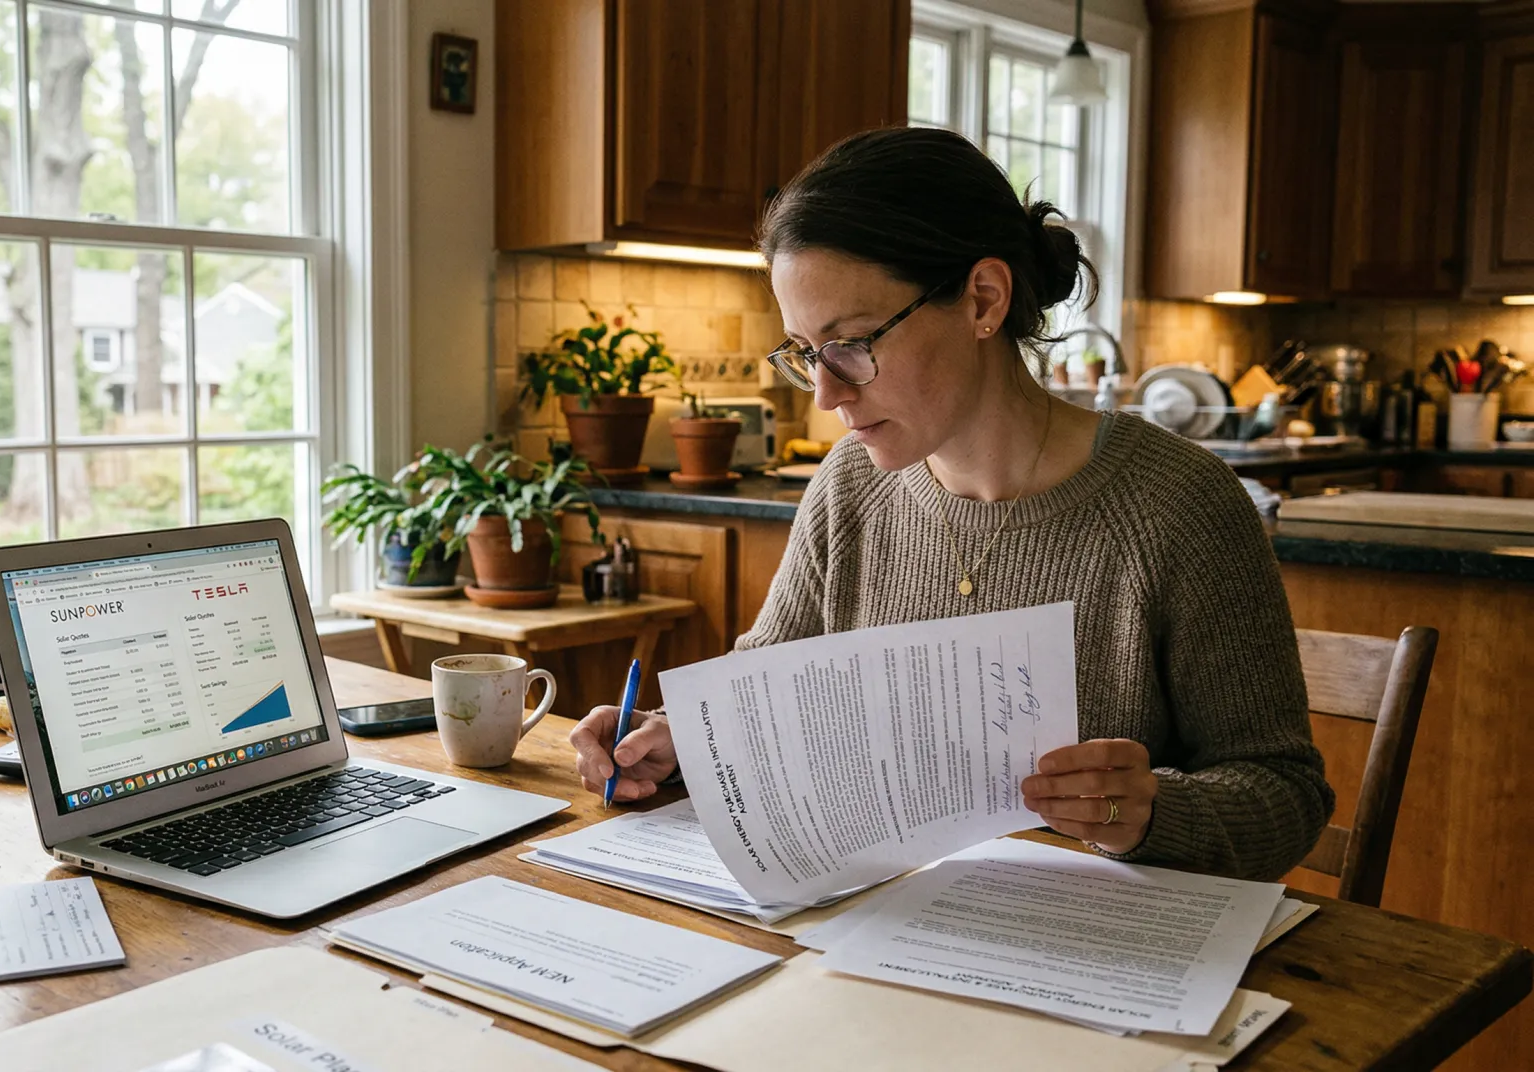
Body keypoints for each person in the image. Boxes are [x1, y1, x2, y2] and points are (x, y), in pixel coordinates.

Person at [567, 127, 1330, 881]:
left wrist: (1153, 811)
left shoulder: (1178, 506)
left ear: (983, 300)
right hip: (869, 938)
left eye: (853, 341)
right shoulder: (850, 486)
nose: (827, 392)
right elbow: (766, 704)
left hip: (1087, 966)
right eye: (806, 352)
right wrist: (675, 743)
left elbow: (1284, 794)